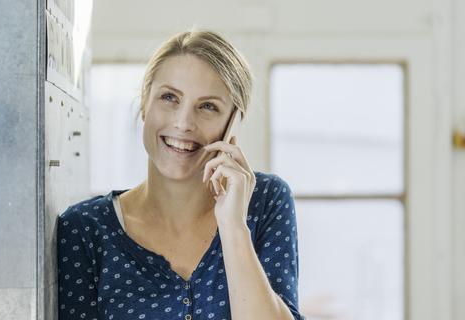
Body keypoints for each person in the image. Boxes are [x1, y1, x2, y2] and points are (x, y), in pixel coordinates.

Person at [58, 28, 305, 320]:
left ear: (233, 124)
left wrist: (233, 227)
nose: (183, 122)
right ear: (144, 105)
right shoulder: (85, 229)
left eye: (208, 106)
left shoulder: (265, 201)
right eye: (169, 98)